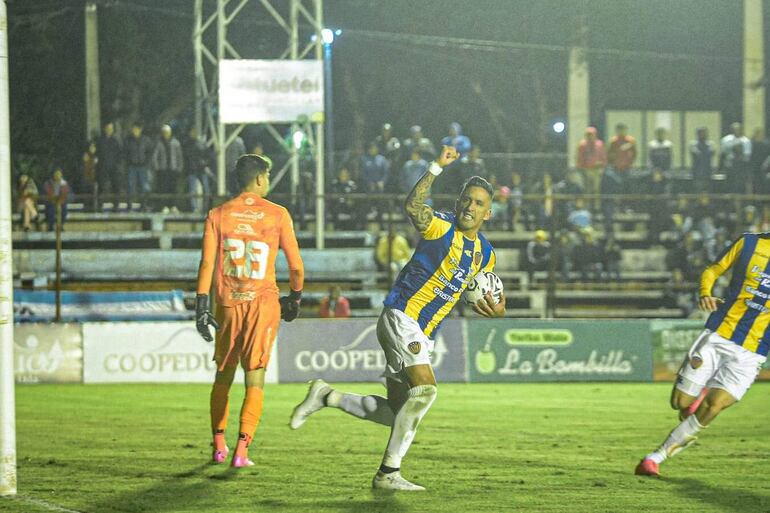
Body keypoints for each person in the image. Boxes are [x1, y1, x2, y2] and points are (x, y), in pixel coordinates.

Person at [290, 146, 506, 491]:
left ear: (489, 213)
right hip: (402, 315)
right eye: (466, 199)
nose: (470, 206)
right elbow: (413, 206)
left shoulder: (486, 255)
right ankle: (388, 474)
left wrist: (497, 307)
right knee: (426, 392)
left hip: (424, 330)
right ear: (458, 202)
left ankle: (326, 396)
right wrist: (436, 166)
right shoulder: (440, 227)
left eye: (478, 203)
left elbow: (487, 294)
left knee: (396, 411)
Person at [194, 154, 304, 468]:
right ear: (259, 179)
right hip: (263, 302)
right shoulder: (278, 214)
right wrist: (294, 298)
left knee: (223, 374)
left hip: (228, 302)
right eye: (267, 177)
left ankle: (218, 445)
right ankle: (242, 451)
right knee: (255, 377)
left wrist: (202, 305)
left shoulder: (218, 214)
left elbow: (206, 263)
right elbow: (296, 266)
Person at [635, 232, 770, 477]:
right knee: (681, 403)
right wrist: (705, 292)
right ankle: (699, 393)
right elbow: (713, 269)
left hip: (753, 351)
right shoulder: (748, 243)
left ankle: (654, 458)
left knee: (713, 407)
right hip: (719, 334)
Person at [152, 124, 184, 212]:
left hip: (173, 169)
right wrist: (157, 168)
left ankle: (173, 206)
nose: (166, 134)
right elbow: (155, 156)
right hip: (163, 170)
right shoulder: (159, 143)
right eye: (164, 132)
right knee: (163, 189)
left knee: (173, 188)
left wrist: (179, 168)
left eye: (168, 132)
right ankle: (164, 206)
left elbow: (179, 156)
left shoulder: (176, 142)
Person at [576, 126, 607, 211]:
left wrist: (602, 165)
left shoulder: (599, 144)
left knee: (597, 189)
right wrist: (580, 167)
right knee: (587, 189)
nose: (590, 136)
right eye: (588, 135)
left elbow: (603, 156)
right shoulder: (582, 144)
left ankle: (597, 206)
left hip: (597, 170)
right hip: (586, 169)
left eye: (591, 134)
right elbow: (580, 157)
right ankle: (587, 206)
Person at [125, 121, 153, 211]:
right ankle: (129, 205)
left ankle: (143, 205)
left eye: (136, 129)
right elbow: (125, 152)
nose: (135, 131)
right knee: (130, 186)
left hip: (143, 166)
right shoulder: (128, 139)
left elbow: (150, 152)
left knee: (144, 186)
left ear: (140, 130)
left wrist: (147, 163)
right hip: (131, 166)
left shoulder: (146, 140)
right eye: (133, 129)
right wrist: (128, 162)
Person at [43, 167, 71, 232]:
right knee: (50, 210)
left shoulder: (64, 183)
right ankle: (50, 226)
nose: (57, 175)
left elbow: (65, 194)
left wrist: (59, 201)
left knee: (64, 209)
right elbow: (48, 192)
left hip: (61, 202)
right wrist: (54, 199)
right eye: (56, 174)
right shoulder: (48, 183)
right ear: (53, 175)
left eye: (59, 174)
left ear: (61, 175)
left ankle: (61, 226)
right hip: (51, 201)